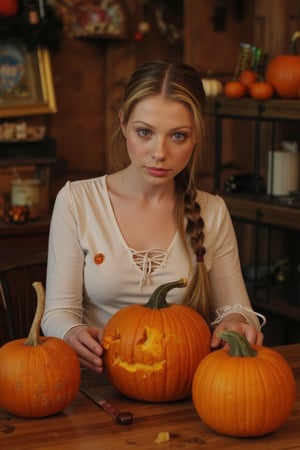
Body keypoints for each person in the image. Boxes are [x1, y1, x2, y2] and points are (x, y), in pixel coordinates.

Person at [42, 60, 266, 373]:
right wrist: (71, 332)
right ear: (123, 124)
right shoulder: (78, 201)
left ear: (197, 135)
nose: (159, 152)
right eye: (145, 132)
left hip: (184, 383)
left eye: (178, 136)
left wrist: (235, 322)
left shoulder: (212, 211)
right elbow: (57, 313)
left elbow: (238, 308)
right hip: (97, 382)